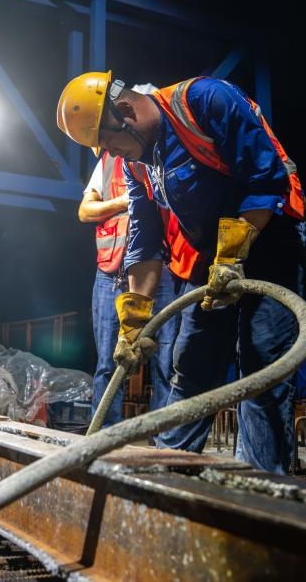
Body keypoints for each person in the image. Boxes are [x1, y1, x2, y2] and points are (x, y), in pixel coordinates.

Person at [56, 71, 306, 474]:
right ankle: (168, 473)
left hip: (272, 237)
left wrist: (233, 254)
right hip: (210, 258)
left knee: (261, 364)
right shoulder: (138, 165)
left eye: (110, 142)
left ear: (125, 112)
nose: (114, 154)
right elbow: (145, 240)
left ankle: (259, 484)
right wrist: (134, 319)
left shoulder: (204, 101)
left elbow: (266, 178)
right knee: (192, 363)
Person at [79, 148, 191, 430]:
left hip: (162, 273)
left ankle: (162, 436)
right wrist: (125, 200)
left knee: (167, 363)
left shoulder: (165, 152)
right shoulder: (109, 161)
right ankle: (104, 435)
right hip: (111, 274)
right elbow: (85, 211)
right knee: (109, 363)